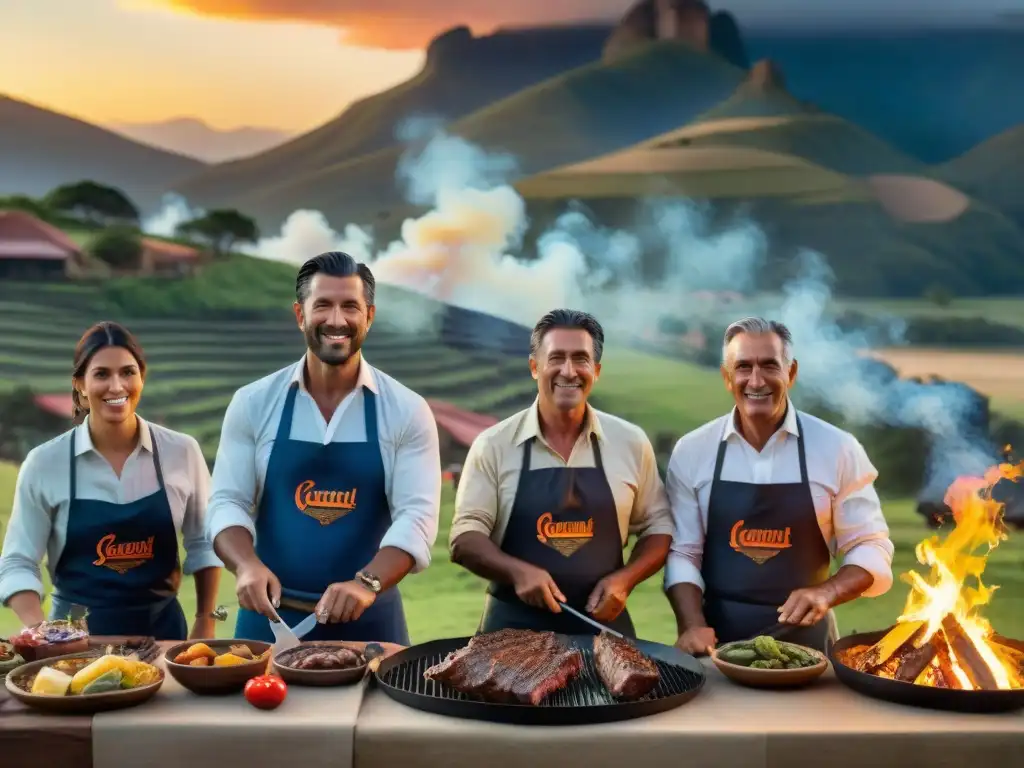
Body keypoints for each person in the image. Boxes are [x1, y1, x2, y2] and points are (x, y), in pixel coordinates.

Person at [205, 251, 441, 645]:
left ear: (369, 315)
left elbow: (416, 517)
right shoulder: (253, 402)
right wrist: (245, 565)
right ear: (300, 315)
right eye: (323, 306)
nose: (336, 320)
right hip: (267, 621)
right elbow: (227, 501)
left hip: (372, 626)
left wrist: (367, 582)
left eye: (350, 306)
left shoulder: (406, 410)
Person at [664, 317, 895, 654]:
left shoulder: (838, 448)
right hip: (717, 648)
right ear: (727, 377)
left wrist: (826, 591)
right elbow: (683, 553)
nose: (756, 380)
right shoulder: (693, 450)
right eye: (743, 367)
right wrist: (691, 625)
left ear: (791, 372)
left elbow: (871, 545)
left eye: (769, 365)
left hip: (810, 648)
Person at [449, 309, 674, 637]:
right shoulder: (493, 445)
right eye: (556, 358)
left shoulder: (630, 442)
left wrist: (625, 580)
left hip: (604, 630)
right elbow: (464, 538)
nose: (568, 371)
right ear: (534, 367)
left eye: (580, 359)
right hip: (510, 632)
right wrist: (517, 572)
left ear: (595, 371)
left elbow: (659, 526)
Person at [0, 322, 222, 640]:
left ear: (142, 378)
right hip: (73, 644)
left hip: (162, 638)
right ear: (80, 385)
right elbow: (18, 562)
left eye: (128, 372)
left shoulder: (181, 451)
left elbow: (203, 543)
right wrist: (42, 634)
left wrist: (206, 620)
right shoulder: (45, 463)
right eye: (102, 374)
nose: (116, 386)